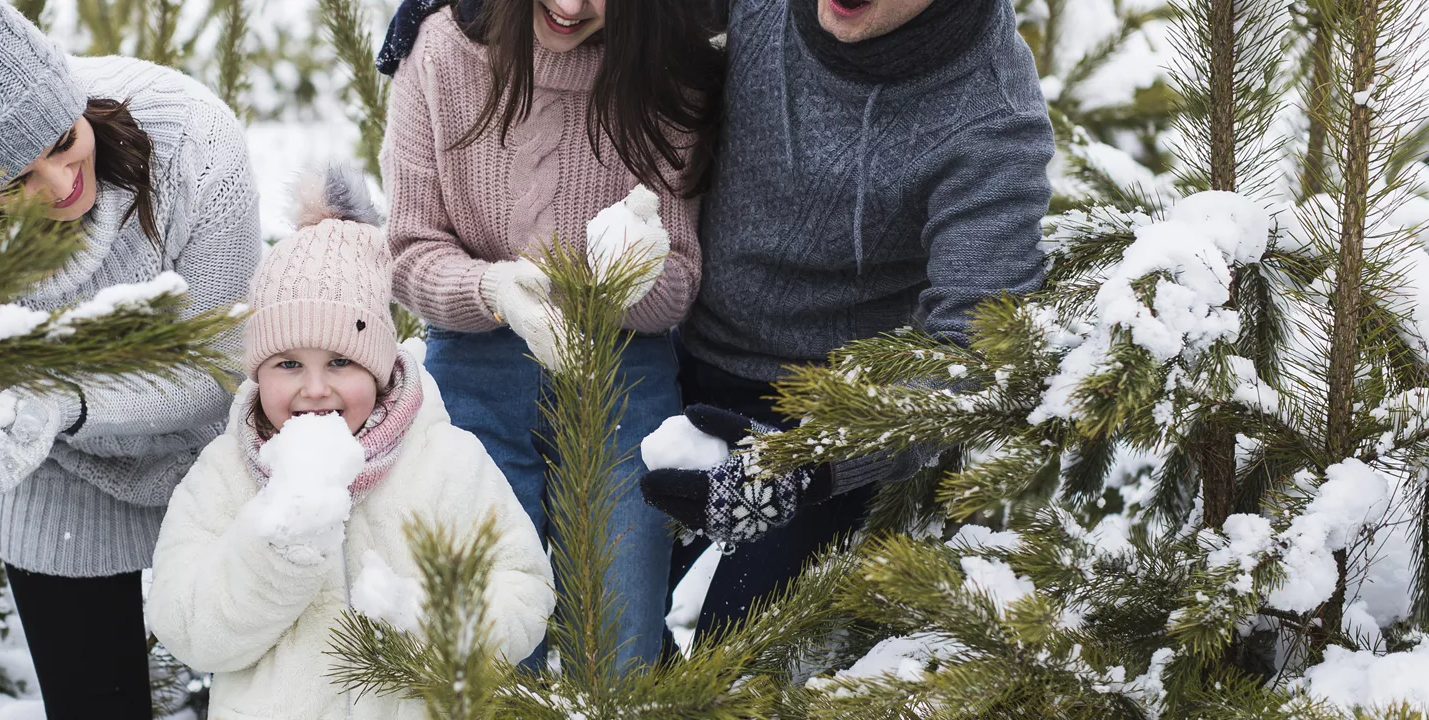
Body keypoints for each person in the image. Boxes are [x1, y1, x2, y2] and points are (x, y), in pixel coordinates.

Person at [0, 2, 260, 716]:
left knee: (244, 689)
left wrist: (66, 400)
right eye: (10, 181)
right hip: (53, 472)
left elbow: (214, 364)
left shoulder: (192, 139)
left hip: (211, 453)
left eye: (60, 140)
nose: (55, 185)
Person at [639, 0, 1055, 635]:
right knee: (609, 625)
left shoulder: (991, 114)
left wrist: (813, 462)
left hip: (838, 419)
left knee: (735, 658)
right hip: (676, 352)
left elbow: (973, 352)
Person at [376, 0, 724, 670]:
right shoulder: (441, 53)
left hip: (620, 372)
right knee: (491, 644)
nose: (569, 6)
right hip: (474, 362)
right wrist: (494, 290)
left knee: (620, 645)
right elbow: (408, 252)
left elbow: (679, 276)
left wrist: (627, 280)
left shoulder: (667, 70)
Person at [144, 168, 555, 720]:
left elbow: (523, 588)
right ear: (257, 373)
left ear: (381, 369)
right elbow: (184, 624)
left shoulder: (444, 461)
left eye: (341, 361)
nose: (315, 389)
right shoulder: (225, 476)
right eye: (288, 364)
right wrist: (278, 548)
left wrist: (428, 624)